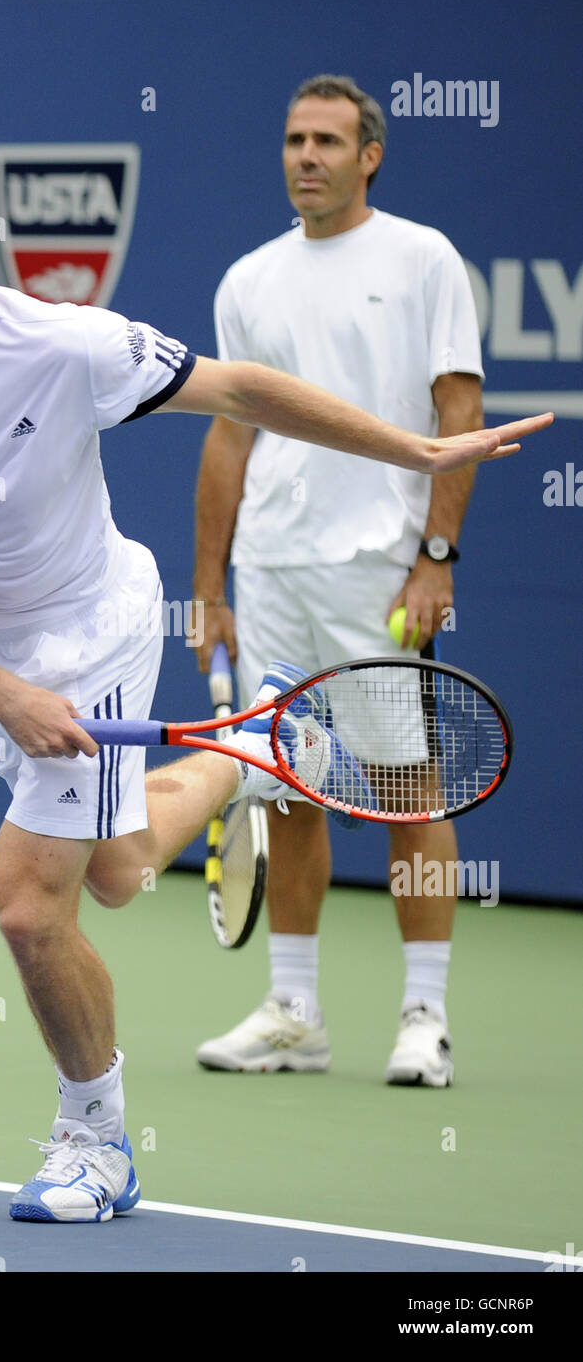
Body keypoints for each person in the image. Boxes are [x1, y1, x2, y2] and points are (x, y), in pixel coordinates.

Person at [0, 140, 545, 1224]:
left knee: (24, 902)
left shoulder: (62, 346)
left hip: (95, 622)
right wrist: (2, 692)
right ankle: (269, 755)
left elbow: (236, 387)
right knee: (118, 868)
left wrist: (417, 454)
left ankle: (95, 1141)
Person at [192, 75, 489, 1087]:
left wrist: (435, 556)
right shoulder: (247, 280)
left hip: (376, 572)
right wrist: (210, 587)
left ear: (370, 154)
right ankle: (294, 1011)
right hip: (270, 568)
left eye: (326, 140)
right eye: (291, 139)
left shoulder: (422, 259)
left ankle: (423, 1017)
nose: (304, 155)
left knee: (409, 790)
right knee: (285, 786)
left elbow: (458, 414)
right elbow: (230, 436)